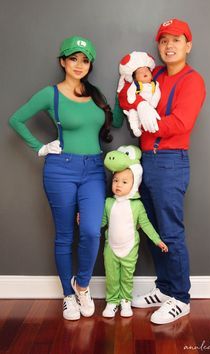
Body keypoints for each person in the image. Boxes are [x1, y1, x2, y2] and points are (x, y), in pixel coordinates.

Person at [9, 35, 113, 320]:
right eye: (73, 59)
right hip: (60, 170)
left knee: (92, 231)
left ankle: (81, 285)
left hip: (93, 169)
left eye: (85, 60)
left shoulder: (96, 95)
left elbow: (114, 120)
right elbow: (15, 120)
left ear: (90, 64)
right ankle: (68, 296)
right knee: (65, 235)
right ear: (62, 62)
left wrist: (132, 92)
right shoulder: (50, 94)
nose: (79, 65)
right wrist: (40, 147)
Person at [118, 19, 206, 324]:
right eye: (164, 41)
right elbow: (127, 95)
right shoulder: (152, 74)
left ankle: (181, 297)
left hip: (171, 161)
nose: (169, 46)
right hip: (148, 160)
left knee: (171, 231)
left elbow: (182, 123)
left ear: (187, 46)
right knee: (152, 229)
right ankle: (165, 288)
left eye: (176, 40)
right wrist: (133, 102)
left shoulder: (192, 80)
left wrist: (146, 119)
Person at [101, 145, 168, 318]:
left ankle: (125, 300)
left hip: (130, 248)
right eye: (116, 180)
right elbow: (100, 222)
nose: (118, 185)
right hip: (111, 248)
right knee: (112, 276)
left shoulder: (137, 205)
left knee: (127, 277)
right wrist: (84, 220)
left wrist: (157, 240)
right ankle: (112, 301)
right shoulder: (108, 202)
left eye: (124, 182)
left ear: (134, 184)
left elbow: (146, 225)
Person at [117, 51, 161, 137]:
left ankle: (141, 127)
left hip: (151, 105)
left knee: (149, 117)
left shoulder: (155, 84)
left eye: (147, 71)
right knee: (133, 114)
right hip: (136, 107)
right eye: (140, 72)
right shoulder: (136, 84)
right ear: (135, 78)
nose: (144, 73)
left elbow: (157, 94)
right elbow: (130, 92)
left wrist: (152, 104)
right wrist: (134, 100)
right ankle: (135, 128)